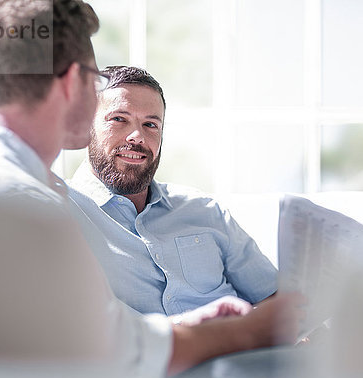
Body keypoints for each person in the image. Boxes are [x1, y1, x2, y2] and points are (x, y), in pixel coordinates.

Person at [0, 0, 300, 378]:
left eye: (150, 124)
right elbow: (109, 355)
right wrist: (249, 332)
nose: (136, 135)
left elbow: (95, 333)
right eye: (95, 83)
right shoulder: (20, 202)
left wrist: (193, 324)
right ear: (73, 81)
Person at [69, 66, 277, 316]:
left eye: (151, 124)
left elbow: (273, 297)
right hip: (154, 351)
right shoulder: (59, 212)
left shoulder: (204, 210)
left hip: (246, 351)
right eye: (119, 119)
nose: (137, 136)